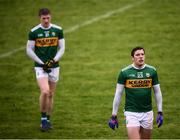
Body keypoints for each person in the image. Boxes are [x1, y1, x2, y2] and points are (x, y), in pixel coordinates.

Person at [108, 46, 163, 139]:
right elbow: (118, 93)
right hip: (131, 113)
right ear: (132, 58)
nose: (141, 57)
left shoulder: (152, 71)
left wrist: (160, 111)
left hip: (148, 113)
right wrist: (114, 115)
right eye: (137, 55)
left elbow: (157, 92)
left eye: (142, 54)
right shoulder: (124, 72)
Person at [26, 8, 65, 131]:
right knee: (45, 91)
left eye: (48, 18)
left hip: (54, 67)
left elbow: (62, 48)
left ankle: (48, 119)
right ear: (40, 18)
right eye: (44, 18)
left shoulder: (58, 30)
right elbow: (29, 50)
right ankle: (43, 119)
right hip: (40, 67)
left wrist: (53, 61)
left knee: (51, 94)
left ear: (51, 17)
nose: (46, 20)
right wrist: (41, 63)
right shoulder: (34, 32)